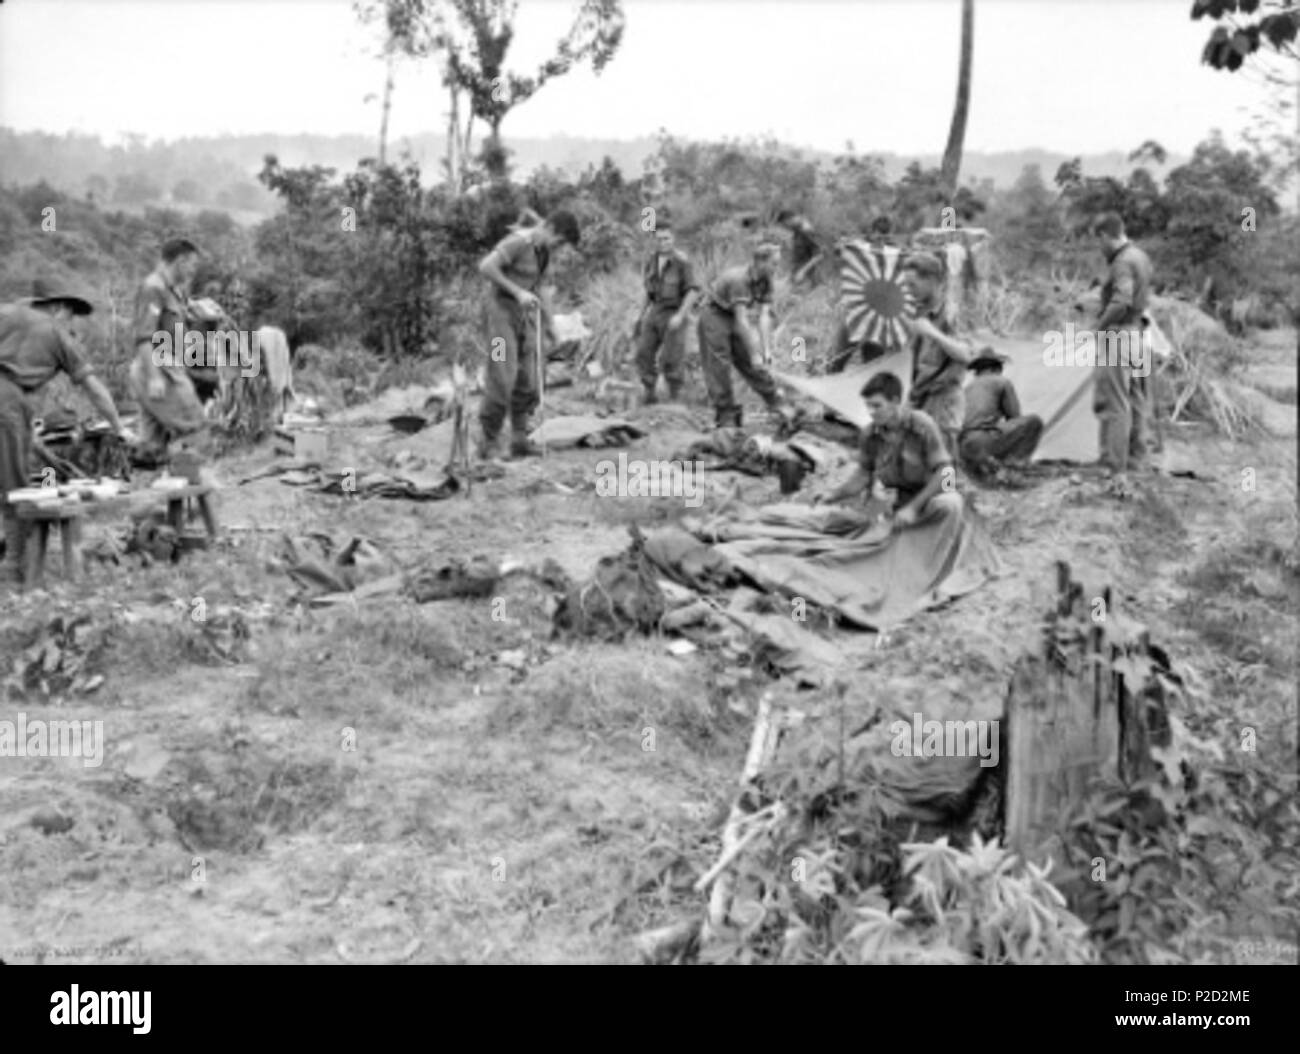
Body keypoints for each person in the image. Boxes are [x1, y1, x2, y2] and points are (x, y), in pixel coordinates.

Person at [0, 283, 134, 583]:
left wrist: (37, 444)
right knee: (15, 488)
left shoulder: (6, 312)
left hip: (9, 400)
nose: (72, 324)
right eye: (72, 316)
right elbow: (95, 390)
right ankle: (14, 567)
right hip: (6, 399)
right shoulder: (55, 332)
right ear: (60, 308)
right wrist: (119, 428)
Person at [477, 209, 581, 459]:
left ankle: (519, 439)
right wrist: (517, 292)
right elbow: (486, 267)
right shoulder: (518, 242)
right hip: (500, 315)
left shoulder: (543, 252)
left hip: (525, 317)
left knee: (529, 377)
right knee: (502, 374)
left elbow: (541, 289)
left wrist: (551, 327)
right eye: (559, 242)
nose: (558, 249)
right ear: (551, 229)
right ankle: (488, 440)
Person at [813, 371, 961, 530]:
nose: (871, 412)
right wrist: (834, 494)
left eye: (877, 406)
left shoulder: (921, 424)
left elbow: (947, 471)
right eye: (868, 406)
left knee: (949, 504)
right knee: (845, 524)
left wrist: (914, 508)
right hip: (902, 502)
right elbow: (863, 475)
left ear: (895, 401)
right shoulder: (869, 435)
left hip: (932, 495)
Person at [696, 243, 792, 429]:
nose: (776, 268)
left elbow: (764, 317)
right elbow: (742, 322)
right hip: (714, 314)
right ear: (760, 262)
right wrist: (755, 354)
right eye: (774, 264)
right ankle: (726, 413)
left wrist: (766, 351)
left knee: (750, 361)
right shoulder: (739, 280)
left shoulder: (767, 281)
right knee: (719, 363)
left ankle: (776, 401)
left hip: (733, 315)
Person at [129, 237, 208, 464]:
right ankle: (199, 489)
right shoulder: (153, 288)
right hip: (157, 368)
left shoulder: (173, 291)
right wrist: (154, 377)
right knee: (194, 426)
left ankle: (173, 492)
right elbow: (144, 337)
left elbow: (174, 322)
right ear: (181, 261)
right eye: (192, 264)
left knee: (152, 448)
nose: (193, 270)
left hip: (169, 366)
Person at [1091, 212, 1154, 477]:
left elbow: (1121, 300)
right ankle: (1137, 461)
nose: (1099, 247)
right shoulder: (1141, 256)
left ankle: (1113, 466)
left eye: (1099, 241)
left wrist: (1100, 326)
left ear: (1106, 235)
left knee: (1113, 403)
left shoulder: (1121, 262)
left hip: (1118, 334)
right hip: (1137, 334)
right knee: (1136, 399)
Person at [899, 251, 973, 463]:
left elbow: (967, 355)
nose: (908, 291)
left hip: (943, 401)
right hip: (919, 397)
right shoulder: (918, 312)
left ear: (932, 280)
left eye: (912, 285)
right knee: (914, 464)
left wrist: (932, 333)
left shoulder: (952, 313)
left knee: (944, 468)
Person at [636, 219, 699, 404]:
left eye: (667, 238)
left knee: (672, 357)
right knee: (643, 353)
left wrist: (680, 315)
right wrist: (640, 316)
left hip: (674, 312)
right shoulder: (651, 260)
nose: (663, 243)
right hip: (655, 311)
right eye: (659, 239)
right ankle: (649, 393)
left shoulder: (682, 262)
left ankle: (674, 398)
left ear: (673, 239)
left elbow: (693, 291)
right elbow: (648, 291)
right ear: (654, 240)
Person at [958, 347, 1043, 470]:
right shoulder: (1001, 382)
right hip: (982, 443)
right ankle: (1016, 466)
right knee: (1034, 422)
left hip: (963, 446)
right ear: (996, 368)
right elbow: (1014, 418)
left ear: (977, 370)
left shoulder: (966, 388)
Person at [776, 209, 823, 287]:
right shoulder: (796, 231)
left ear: (789, 220)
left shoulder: (806, 231)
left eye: (785, 225)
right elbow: (799, 254)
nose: (786, 228)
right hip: (798, 277)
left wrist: (802, 271)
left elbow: (819, 255)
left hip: (808, 280)